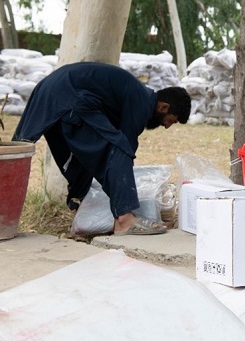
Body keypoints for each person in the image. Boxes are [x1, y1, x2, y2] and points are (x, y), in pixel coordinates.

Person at [12, 61, 192, 236]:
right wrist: (125, 196)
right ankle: (124, 220)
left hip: (53, 91)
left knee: (77, 156)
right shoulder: (142, 102)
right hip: (70, 95)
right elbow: (124, 148)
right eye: (171, 121)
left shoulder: (131, 94)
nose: (167, 126)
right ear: (163, 107)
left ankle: (82, 207)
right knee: (118, 148)